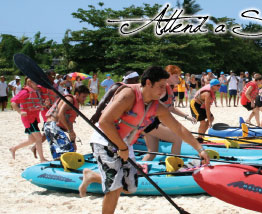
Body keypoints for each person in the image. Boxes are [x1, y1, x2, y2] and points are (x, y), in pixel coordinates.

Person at [79, 66, 210, 212]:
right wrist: (121, 147)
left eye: (164, 86)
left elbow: (178, 128)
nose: (163, 91)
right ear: (148, 83)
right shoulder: (128, 95)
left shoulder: (156, 106)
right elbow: (104, 122)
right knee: (114, 189)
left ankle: (92, 176)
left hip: (125, 144)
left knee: (130, 187)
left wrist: (200, 149)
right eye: (160, 86)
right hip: (105, 140)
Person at [142, 65, 197, 161]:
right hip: (149, 123)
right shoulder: (162, 89)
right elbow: (159, 109)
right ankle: (174, 166)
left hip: (146, 122)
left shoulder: (168, 89)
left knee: (152, 153)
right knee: (177, 138)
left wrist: (186, 116)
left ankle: (139, 173)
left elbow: (170, 108)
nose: (178, 78)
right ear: (169, 75)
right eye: (176, 76)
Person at [43, 86, 90, 159]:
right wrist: (70, 131)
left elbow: (69, 122)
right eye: (83, 97)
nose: (84, 99)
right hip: (52, 126)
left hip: (51, 127)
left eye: (86, 97)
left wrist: (73, 141)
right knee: (68, 152)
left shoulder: (75, 103)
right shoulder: (70, 100)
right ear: (77, 94)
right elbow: (60, 114)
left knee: (64, 154)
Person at [9, 78, 47, 162]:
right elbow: (13, 102)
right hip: (29, 119)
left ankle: (13, 148)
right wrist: (20, 111)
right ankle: (42, 159)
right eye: (36, 83)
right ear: (29, 82)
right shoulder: (25, 92)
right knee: (39, 138)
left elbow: (34, 105)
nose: (38, 85)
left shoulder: (33, 92)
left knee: (31, 140)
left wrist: (44, 105)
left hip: (34, 118)